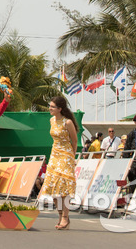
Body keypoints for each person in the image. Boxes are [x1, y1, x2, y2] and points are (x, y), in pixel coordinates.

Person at [40, 96, 78, 231]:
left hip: (66, 155)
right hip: (55, 154)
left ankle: (65, 217)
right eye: (50, 106)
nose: (50, 108)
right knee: (52, 186)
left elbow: (74, 141)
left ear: (60, 109)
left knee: (63, 187)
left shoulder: (67, 123)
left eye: (52, 106)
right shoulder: (51, 120)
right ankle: (60, 214)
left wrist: (72, 158)